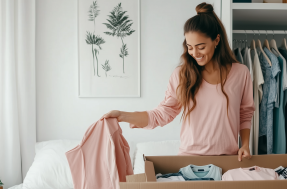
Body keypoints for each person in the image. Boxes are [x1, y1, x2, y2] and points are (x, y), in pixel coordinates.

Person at [102, 2, 254, 161]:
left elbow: (245, 113)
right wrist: (122, 115)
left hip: (228, 160)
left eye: (201, 47)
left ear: (216, 40)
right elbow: (161, 114)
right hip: (189, 162)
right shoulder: (182, 75)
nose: (195, 53)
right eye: (190, 47)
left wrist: (245, 145)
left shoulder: (240, 73)